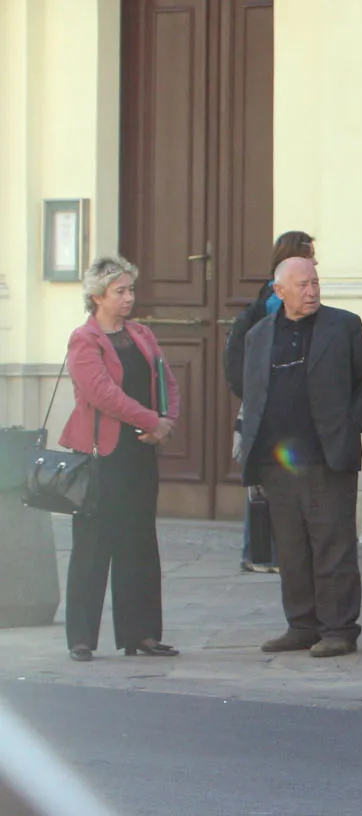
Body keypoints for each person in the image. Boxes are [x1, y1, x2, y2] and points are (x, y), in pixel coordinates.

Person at [237, 257, 362, 658]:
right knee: (291, 548)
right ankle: (301, 625)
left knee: (332, 544)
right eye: (302, 284)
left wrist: (351, 424)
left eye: (315, 283)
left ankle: (339, 628)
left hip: (327, 455)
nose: (312, 290)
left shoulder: (343, 325)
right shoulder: (260, 334)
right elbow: (250, 388)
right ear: (279, 290)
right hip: (277, 459)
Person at [60, 256, 181, 662]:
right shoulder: (85, 340)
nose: (129, 298)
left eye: (131, 290)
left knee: (140, 542)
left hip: (139, 451)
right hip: (100, 455)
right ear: (97, 297)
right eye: (120, 291)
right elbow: (101, 394)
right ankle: (82, 638)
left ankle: (142, 634)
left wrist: (166, 421)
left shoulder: (141, 335)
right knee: (93, 545)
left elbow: (166, 379)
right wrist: (151, 419)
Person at [224, 230, 315, 573]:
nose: (316, 261)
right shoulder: (278, 299)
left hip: (266, 394)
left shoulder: (269, 292)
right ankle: (269, 552)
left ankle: (257, 551)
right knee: (273, 475)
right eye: (310, 254)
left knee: (263, 473)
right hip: (274, 396)